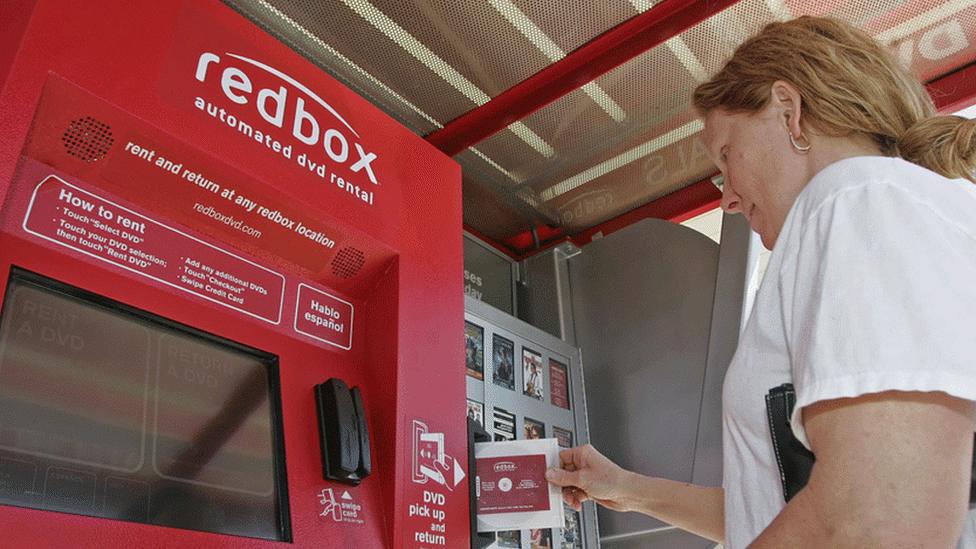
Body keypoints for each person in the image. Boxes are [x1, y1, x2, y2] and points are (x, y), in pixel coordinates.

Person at [545, 16, 976, 548]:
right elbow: (783, 505)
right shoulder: (888, 214)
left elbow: (876, 519)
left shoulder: (857, 197)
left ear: (789, 113)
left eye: (726, 156)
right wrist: (628, 489)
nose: (726, 199)